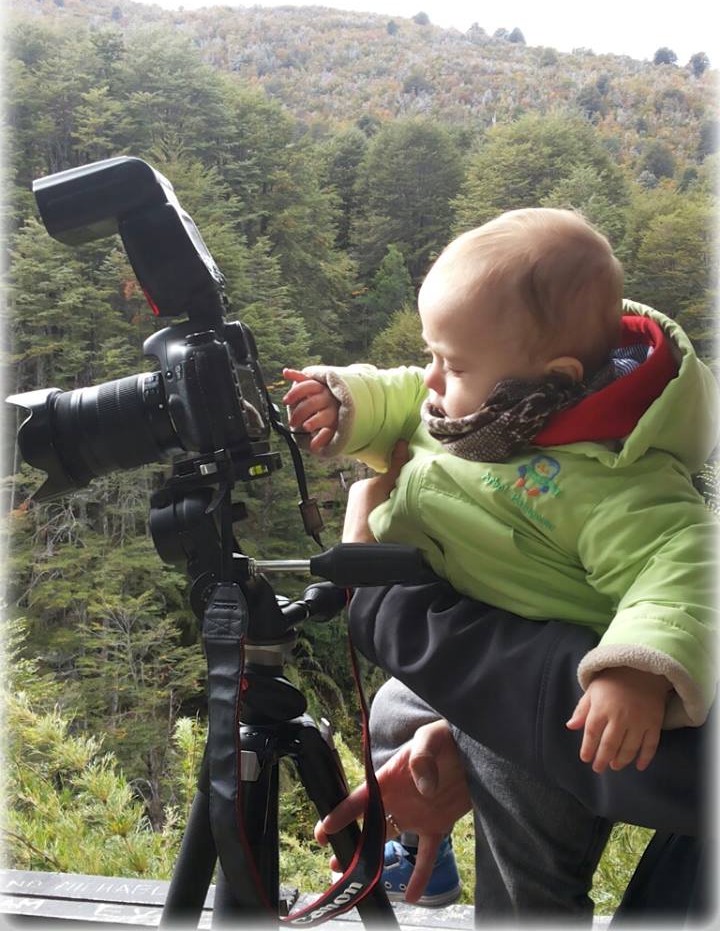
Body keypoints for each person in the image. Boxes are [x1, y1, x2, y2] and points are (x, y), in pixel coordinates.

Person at [283, 208, 717, 918]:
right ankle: (420, 855)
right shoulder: (479, 405)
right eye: (433, 354)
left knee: (524, 850)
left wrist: (635, 672)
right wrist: (345, 399)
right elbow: (402, 394)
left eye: (451, 364)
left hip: (569, 698)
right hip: (487, 650)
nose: (431, 378)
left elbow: (685, 564)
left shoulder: (613, 477)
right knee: (392, 712)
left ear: (552, 377)